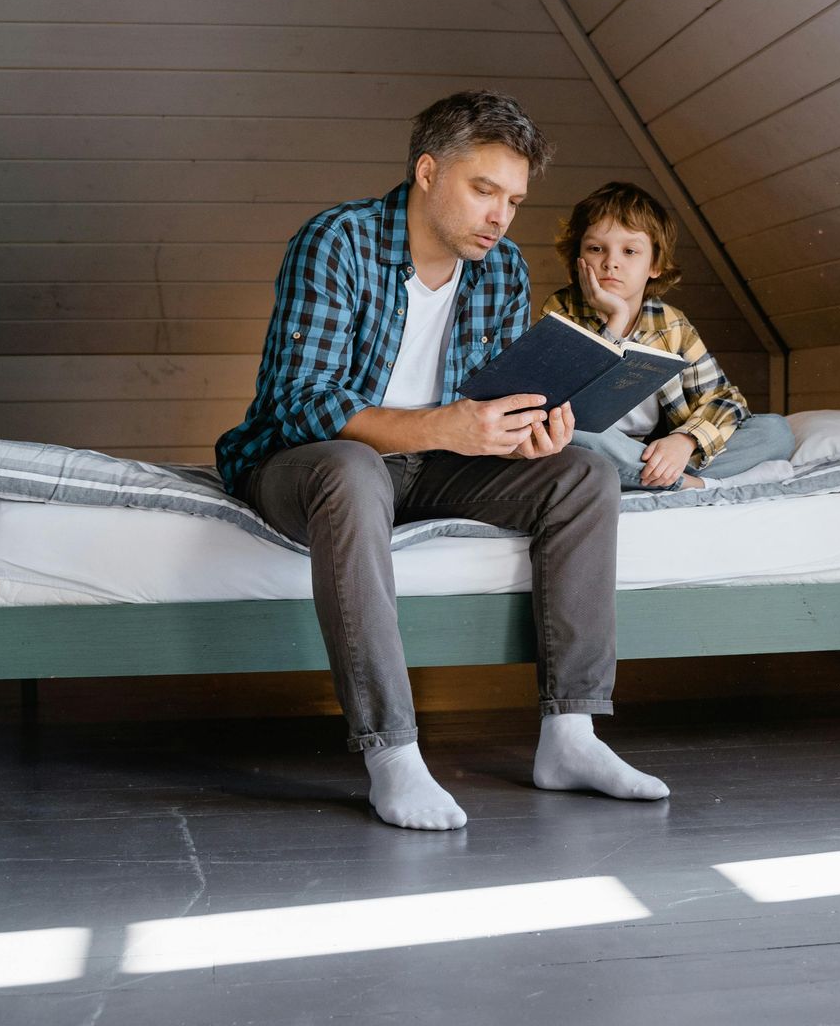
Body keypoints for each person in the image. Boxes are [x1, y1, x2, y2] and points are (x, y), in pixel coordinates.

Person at [215, 92, 668, 831]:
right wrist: (444, 426)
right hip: (306, 465)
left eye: (514, 200)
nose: (500, 217)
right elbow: (297, 402)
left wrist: (527, 433)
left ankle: (571, 738)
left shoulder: (503, 269)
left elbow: (490, 402)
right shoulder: (338, 241)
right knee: (354, 468)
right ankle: (391, 751)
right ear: (427, 172)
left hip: (435, 464)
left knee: (582, 474)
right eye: (483, 190)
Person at [543, 182, 793, 491]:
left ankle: (654, 475)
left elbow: (725, 400)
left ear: (656, 265)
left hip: (656, 450)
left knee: (776, 431)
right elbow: (571, 407)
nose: (611, 262)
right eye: (596, 248)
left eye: (630, 251)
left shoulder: (672, 324)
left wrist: (685, 440)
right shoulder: (561, 310)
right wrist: (616, 321)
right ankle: (688, 485)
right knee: (569, 432)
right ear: (577, 258)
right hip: (598, 443)